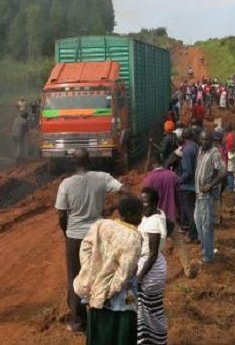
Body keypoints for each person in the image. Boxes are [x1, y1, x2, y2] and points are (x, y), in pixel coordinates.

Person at [55, 148, 128, 333]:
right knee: (100, 274)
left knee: (75, 277)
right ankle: (101, 317)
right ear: (90, 161)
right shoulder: (102, 177)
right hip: (97, 235)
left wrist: (66, 232)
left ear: (72, 163)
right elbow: (125, 190)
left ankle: (79, 323)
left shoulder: (66, 184)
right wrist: (114, 208)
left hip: (75, 237)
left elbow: (62, 215)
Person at [74, 196, 143, 345]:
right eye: (140, 213)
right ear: (130, 214)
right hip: (120, 297)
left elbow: (85, 247)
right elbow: (123, 274)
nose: (142, 217)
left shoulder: (101, 225)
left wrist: (90, 273)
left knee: (99, 334)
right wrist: (105, 293)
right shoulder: (134, 238)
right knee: (121, 335)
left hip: (94, 291)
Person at [143, 155, 195, 278]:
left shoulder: (148, 179)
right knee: (179, 243)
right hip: (170, 217)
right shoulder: (172, 176)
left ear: (152, 166)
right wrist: (181, 217)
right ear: (162, 164)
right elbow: (179, 198)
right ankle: (188, 270)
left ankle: (150, 274)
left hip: (155, 219)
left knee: (153, 248)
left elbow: (146, 203)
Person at [136, 188, 169, 345]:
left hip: (150, 271)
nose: (143, 205)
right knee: (152, 311)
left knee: (146, 313)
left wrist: (139, 277)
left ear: (155, 202)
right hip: (154, 267)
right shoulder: (157, 213)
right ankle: (158, 340)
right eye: (141, 201)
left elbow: (153, 254)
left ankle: (151, 341)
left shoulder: (153, 223)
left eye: (146, 202)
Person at [194, 130, 227, 263]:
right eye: (201, 140)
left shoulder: (214, 152)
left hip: (206, 195)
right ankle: (205, 249)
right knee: (198, 221)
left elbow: (223, 172)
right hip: (198, 194)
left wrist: (210, 185)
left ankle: (208, 256)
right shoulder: (201, 151)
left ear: (211, 140)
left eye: (206, 140)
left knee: (206, 225)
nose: (203, 142)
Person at [179, 128, 200, 242]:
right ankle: (196, 233)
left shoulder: (187, 151)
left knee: (190, 211)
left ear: (183, 138)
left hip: (188, 186)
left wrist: (180, 180)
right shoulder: (196, 146)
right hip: (196, 184)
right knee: (196, 211)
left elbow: (187, 171)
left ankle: (192, 235)